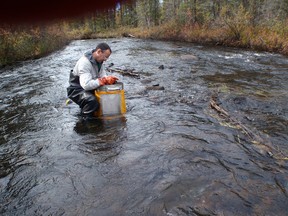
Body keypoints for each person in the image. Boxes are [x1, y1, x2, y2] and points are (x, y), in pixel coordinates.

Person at [67, 42, 118, 118]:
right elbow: (86, 85)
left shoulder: (99, 61)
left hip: (88, 86)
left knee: (106, 96)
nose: (106, 60)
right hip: (76, 90)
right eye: (105, 57)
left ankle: (92, 114)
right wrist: (103, 80)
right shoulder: (84, 63)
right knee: (92, 101)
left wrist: (108, 80)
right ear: (99, 52)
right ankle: (84, 121)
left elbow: (102, 75)